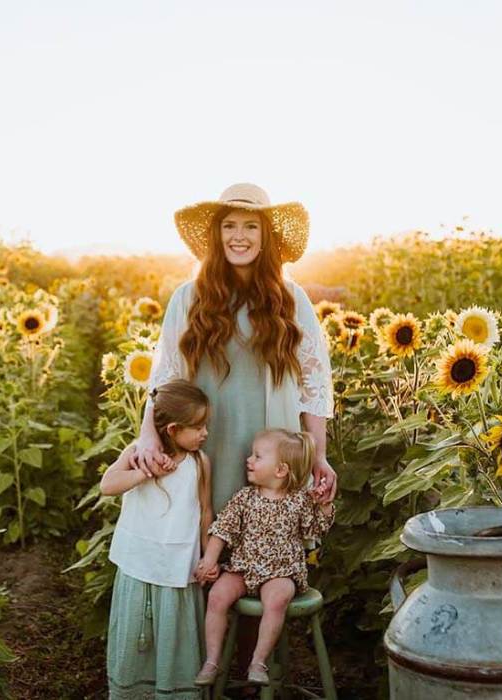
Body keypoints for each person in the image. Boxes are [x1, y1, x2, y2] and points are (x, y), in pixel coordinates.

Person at [129, 182, 338, 685]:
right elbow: (166, 375)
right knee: (209, 543)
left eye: (250, 227)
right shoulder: (191, 296)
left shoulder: (290, 299)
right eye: (229, 226)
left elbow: (314, 381)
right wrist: (148, 437)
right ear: (216, 235)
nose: (239, 236)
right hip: (209, 440)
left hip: (270, 444)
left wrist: (318, 457)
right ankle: (202, 668)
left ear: (266, 238)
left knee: (267, 542)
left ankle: (255, 670)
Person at [194, 428, 335, 686]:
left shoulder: (299, 501)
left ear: (280, 470)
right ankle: (211, 661)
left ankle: (258, 661)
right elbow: (223, 529)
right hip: (243, 568)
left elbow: (315, 530)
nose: (249, 460)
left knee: (277, 599)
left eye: (257, 456)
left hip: (281, 571)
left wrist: (323, 506)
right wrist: (210, 559)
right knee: (217, 596)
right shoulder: (245, 497)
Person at [102, 379, 214, 700]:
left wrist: (208, 557)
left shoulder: (199, 463)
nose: (205, 433)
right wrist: (145, 473)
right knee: (137, 633)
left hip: (178, 568)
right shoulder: (138, 453)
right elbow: (107, 485)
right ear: (174, 429)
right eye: (199, 427)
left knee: (174, 633)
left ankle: (173, 691)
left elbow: (205, 512)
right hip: (138, 562)